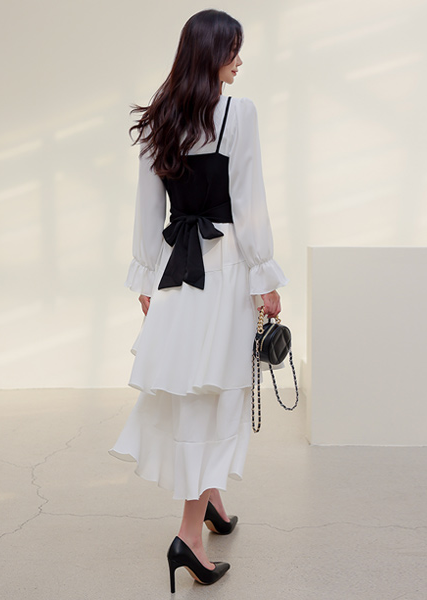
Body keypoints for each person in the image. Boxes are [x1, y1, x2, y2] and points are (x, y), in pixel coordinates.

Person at [108, 9, 288, 593]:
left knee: (192, 385)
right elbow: (248, 202)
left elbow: (147, 209)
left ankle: (211, 504)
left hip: (175, 271)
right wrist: (265, 277)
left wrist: (145, 278)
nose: (240, 60)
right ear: (212, 53)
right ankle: (188, 534)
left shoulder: (158, 118)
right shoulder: (238, 113)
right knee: (212, 394)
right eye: (233, 49)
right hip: (227, 267)